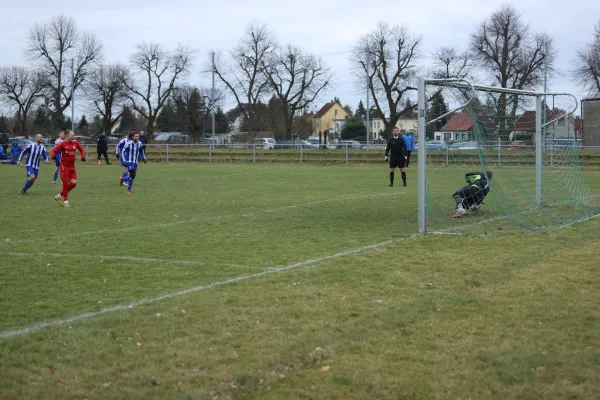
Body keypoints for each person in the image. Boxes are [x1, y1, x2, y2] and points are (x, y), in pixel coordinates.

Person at [50, 130, 86, 207]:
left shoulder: (75, 143)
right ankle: (66, 201)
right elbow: (54, 150)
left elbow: (81, 149)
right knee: (65, 184)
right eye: (72, 135)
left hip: (72, 167)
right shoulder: (62, 144)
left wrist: (83, 156)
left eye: (73, 135)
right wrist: (53, 155)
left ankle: (59, 196)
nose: (73, 137)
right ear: (67, 136)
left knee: (73, 184)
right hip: (64, 166)